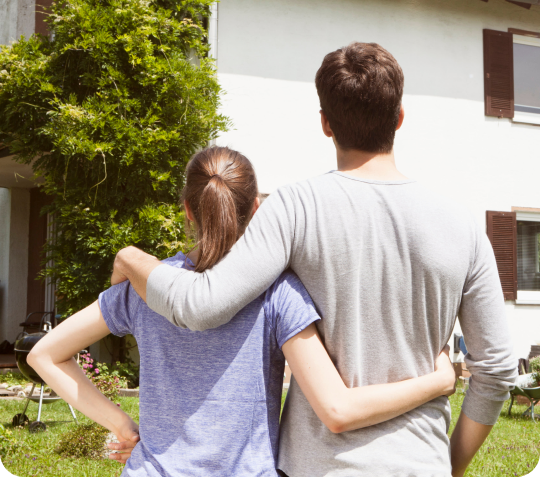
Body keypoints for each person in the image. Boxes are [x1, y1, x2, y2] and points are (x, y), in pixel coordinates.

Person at [112, 43, 517, 477]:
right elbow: (496, 370)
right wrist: (448, 466)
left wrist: (132, 258)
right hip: (422, 465)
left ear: (325, 124)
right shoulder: (462, 223)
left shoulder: (295, 207)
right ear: (399, 119)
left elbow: (201, 305)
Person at [28, 146, 456, 477]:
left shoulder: (146, 287)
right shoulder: (277, 293)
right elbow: (338, 409)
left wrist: (121, 424)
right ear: (256, 210)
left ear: (187, 210)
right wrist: (438, 380)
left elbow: (44, 355)